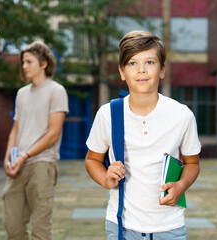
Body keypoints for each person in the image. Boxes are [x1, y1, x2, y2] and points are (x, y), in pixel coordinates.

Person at [85, 30, 201, 239]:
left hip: (170, 227)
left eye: (149, 62)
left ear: (162, 69)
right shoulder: (108, 114)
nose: (141, 70)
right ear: (122, 72)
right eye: (132, 63)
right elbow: (92, 159)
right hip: (122, 225)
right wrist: (105, 179)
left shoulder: (182, 115)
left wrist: (181, 185)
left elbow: (192, 163)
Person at [3, 41, 69, 240]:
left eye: (29, 62)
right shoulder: (21, 94)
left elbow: (53, 134)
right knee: (12, 228)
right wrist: (9, 157)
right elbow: (16, 129)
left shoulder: (56, 91)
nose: (24, 66)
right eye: (23, 62)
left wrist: (24, 156)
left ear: (43, 64)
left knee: (40, 231)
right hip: (18, 166)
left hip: (42, 164)